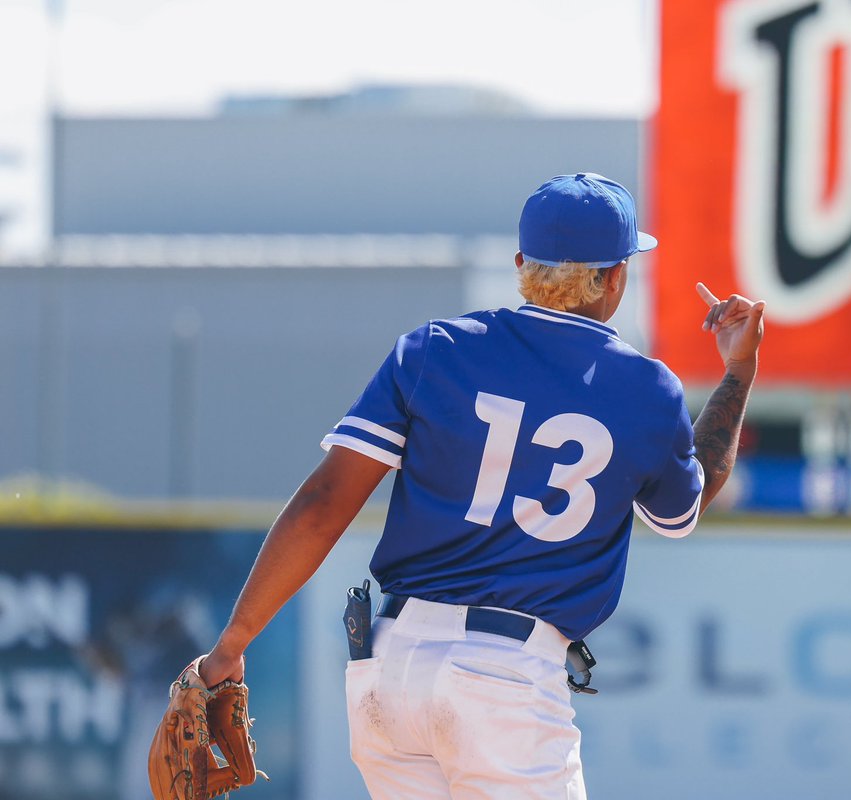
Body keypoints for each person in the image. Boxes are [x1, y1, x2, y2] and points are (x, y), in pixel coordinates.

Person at [198, 172, 765, 798]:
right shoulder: (644, 388)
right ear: (615, 277)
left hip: (388, 672)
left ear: (523, 264)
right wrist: (737, 370)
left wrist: (233, 642)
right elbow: (683, 508)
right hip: (505, 684)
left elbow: (322, 505)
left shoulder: (434, 351)